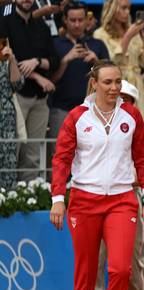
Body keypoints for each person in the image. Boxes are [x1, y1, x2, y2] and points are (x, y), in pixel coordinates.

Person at [50, 61, 144, 290]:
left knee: (121, 269)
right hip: (84, 200)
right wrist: (59, 198)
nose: (114, 88)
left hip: (123, 200)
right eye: (108, 82)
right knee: (85, 275)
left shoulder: (132, 116)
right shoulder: (76, 117)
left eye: (118, 82)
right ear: (94, 83)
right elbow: (62, 159)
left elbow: (142, 159)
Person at [0, 0, 59, 181]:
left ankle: (27, 197)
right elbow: (5, 57)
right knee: (11, 151)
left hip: (40, 98)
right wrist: (37, 75)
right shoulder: (5, 20)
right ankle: (7, 197)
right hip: (15, 96)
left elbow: (54, 60)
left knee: (33, 154)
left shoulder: (42, 26)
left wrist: (37, 61)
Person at [49, 1, 110, 138]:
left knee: (92, 156)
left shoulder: (98, 44)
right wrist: (65, 60)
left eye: (80, 20)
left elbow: (111, 80)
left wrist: (96, 61)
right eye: (72, 20)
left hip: (93, 111)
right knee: (59, 156)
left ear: (87, 20)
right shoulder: (55, 44)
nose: (76, 24)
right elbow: (50, 81)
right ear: (65, 20)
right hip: (61, 110)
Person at [94, 0, 144, 127]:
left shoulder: (134, 32)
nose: (127, 12)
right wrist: (127, 37)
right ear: (112, 9)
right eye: (123, 8)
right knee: (119, 125)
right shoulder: (100, 34)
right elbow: (111, 63)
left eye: (129, 8)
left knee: (140, 125)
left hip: (136, 85)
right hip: (116, 85)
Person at [0, 38, 23, 189]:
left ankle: (7, 200)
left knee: (8, 159)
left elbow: (17, 84)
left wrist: (12, 59)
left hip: (6, 115)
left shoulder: (7, 61)